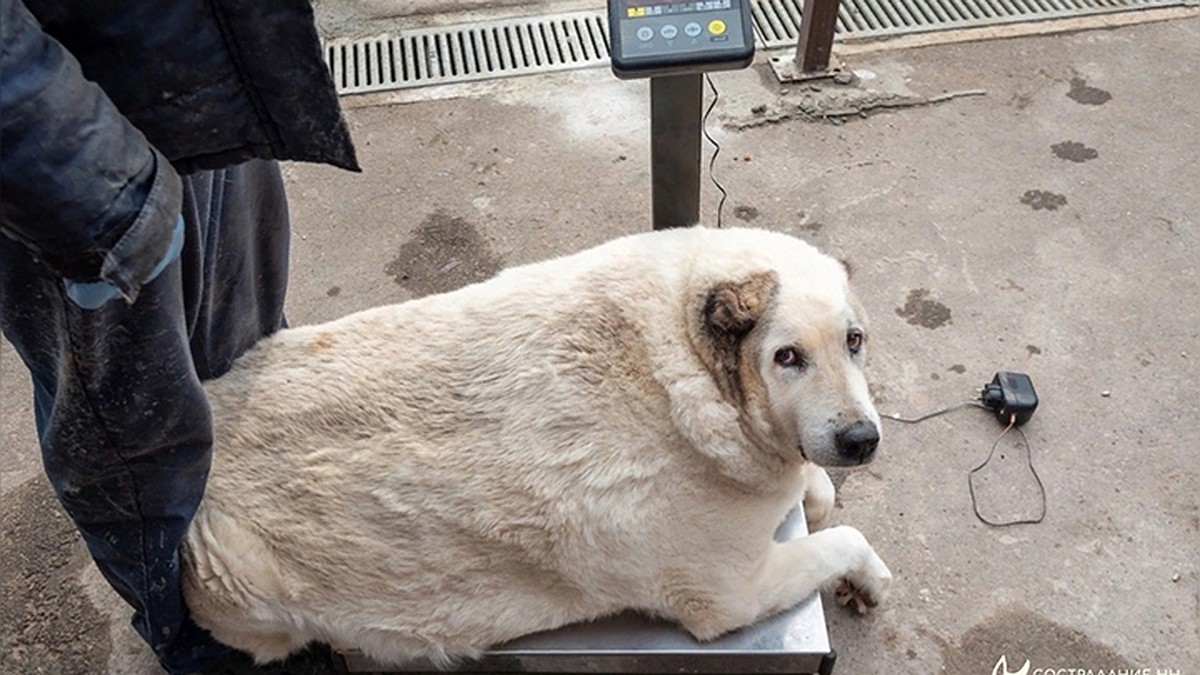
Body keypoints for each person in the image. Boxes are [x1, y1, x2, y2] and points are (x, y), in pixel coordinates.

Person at [0, 0, 358, 672]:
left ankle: (267, 557)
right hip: (61, 141)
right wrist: (83, 178)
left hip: (185, 57)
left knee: (245, 355)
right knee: (139, 448)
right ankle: (216, 639)